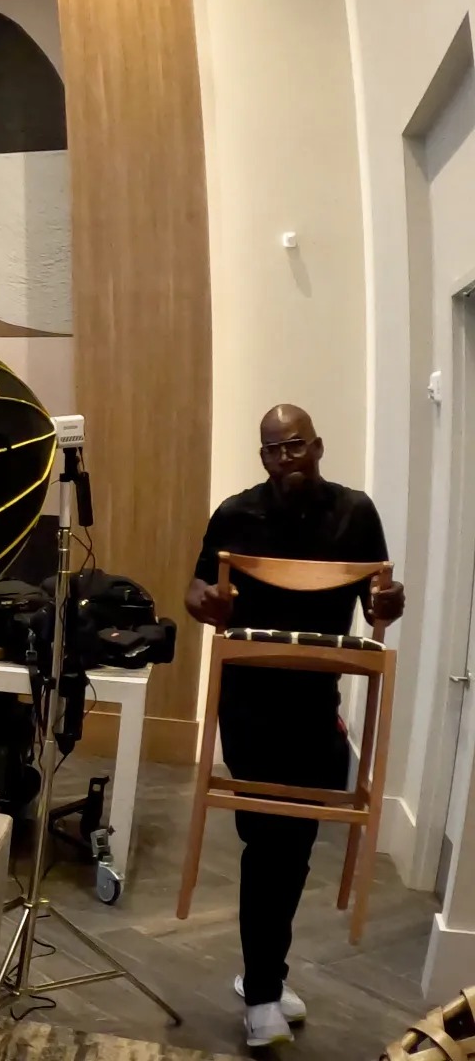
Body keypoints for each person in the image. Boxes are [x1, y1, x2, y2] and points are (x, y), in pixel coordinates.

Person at [185, 404, 404, 1048]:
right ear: (262, 457)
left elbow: (376, 598)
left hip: (316, 701)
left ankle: (265, 976)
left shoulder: (355, 513)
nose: (287, 458)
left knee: (295, 843)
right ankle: (261, 995)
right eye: (274, 449)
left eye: (297, 445)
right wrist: (207, 603)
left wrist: (390, 602)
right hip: (249, 700)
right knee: (269, 840)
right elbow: (196, 590)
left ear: (318, 447)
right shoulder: (236, 514)